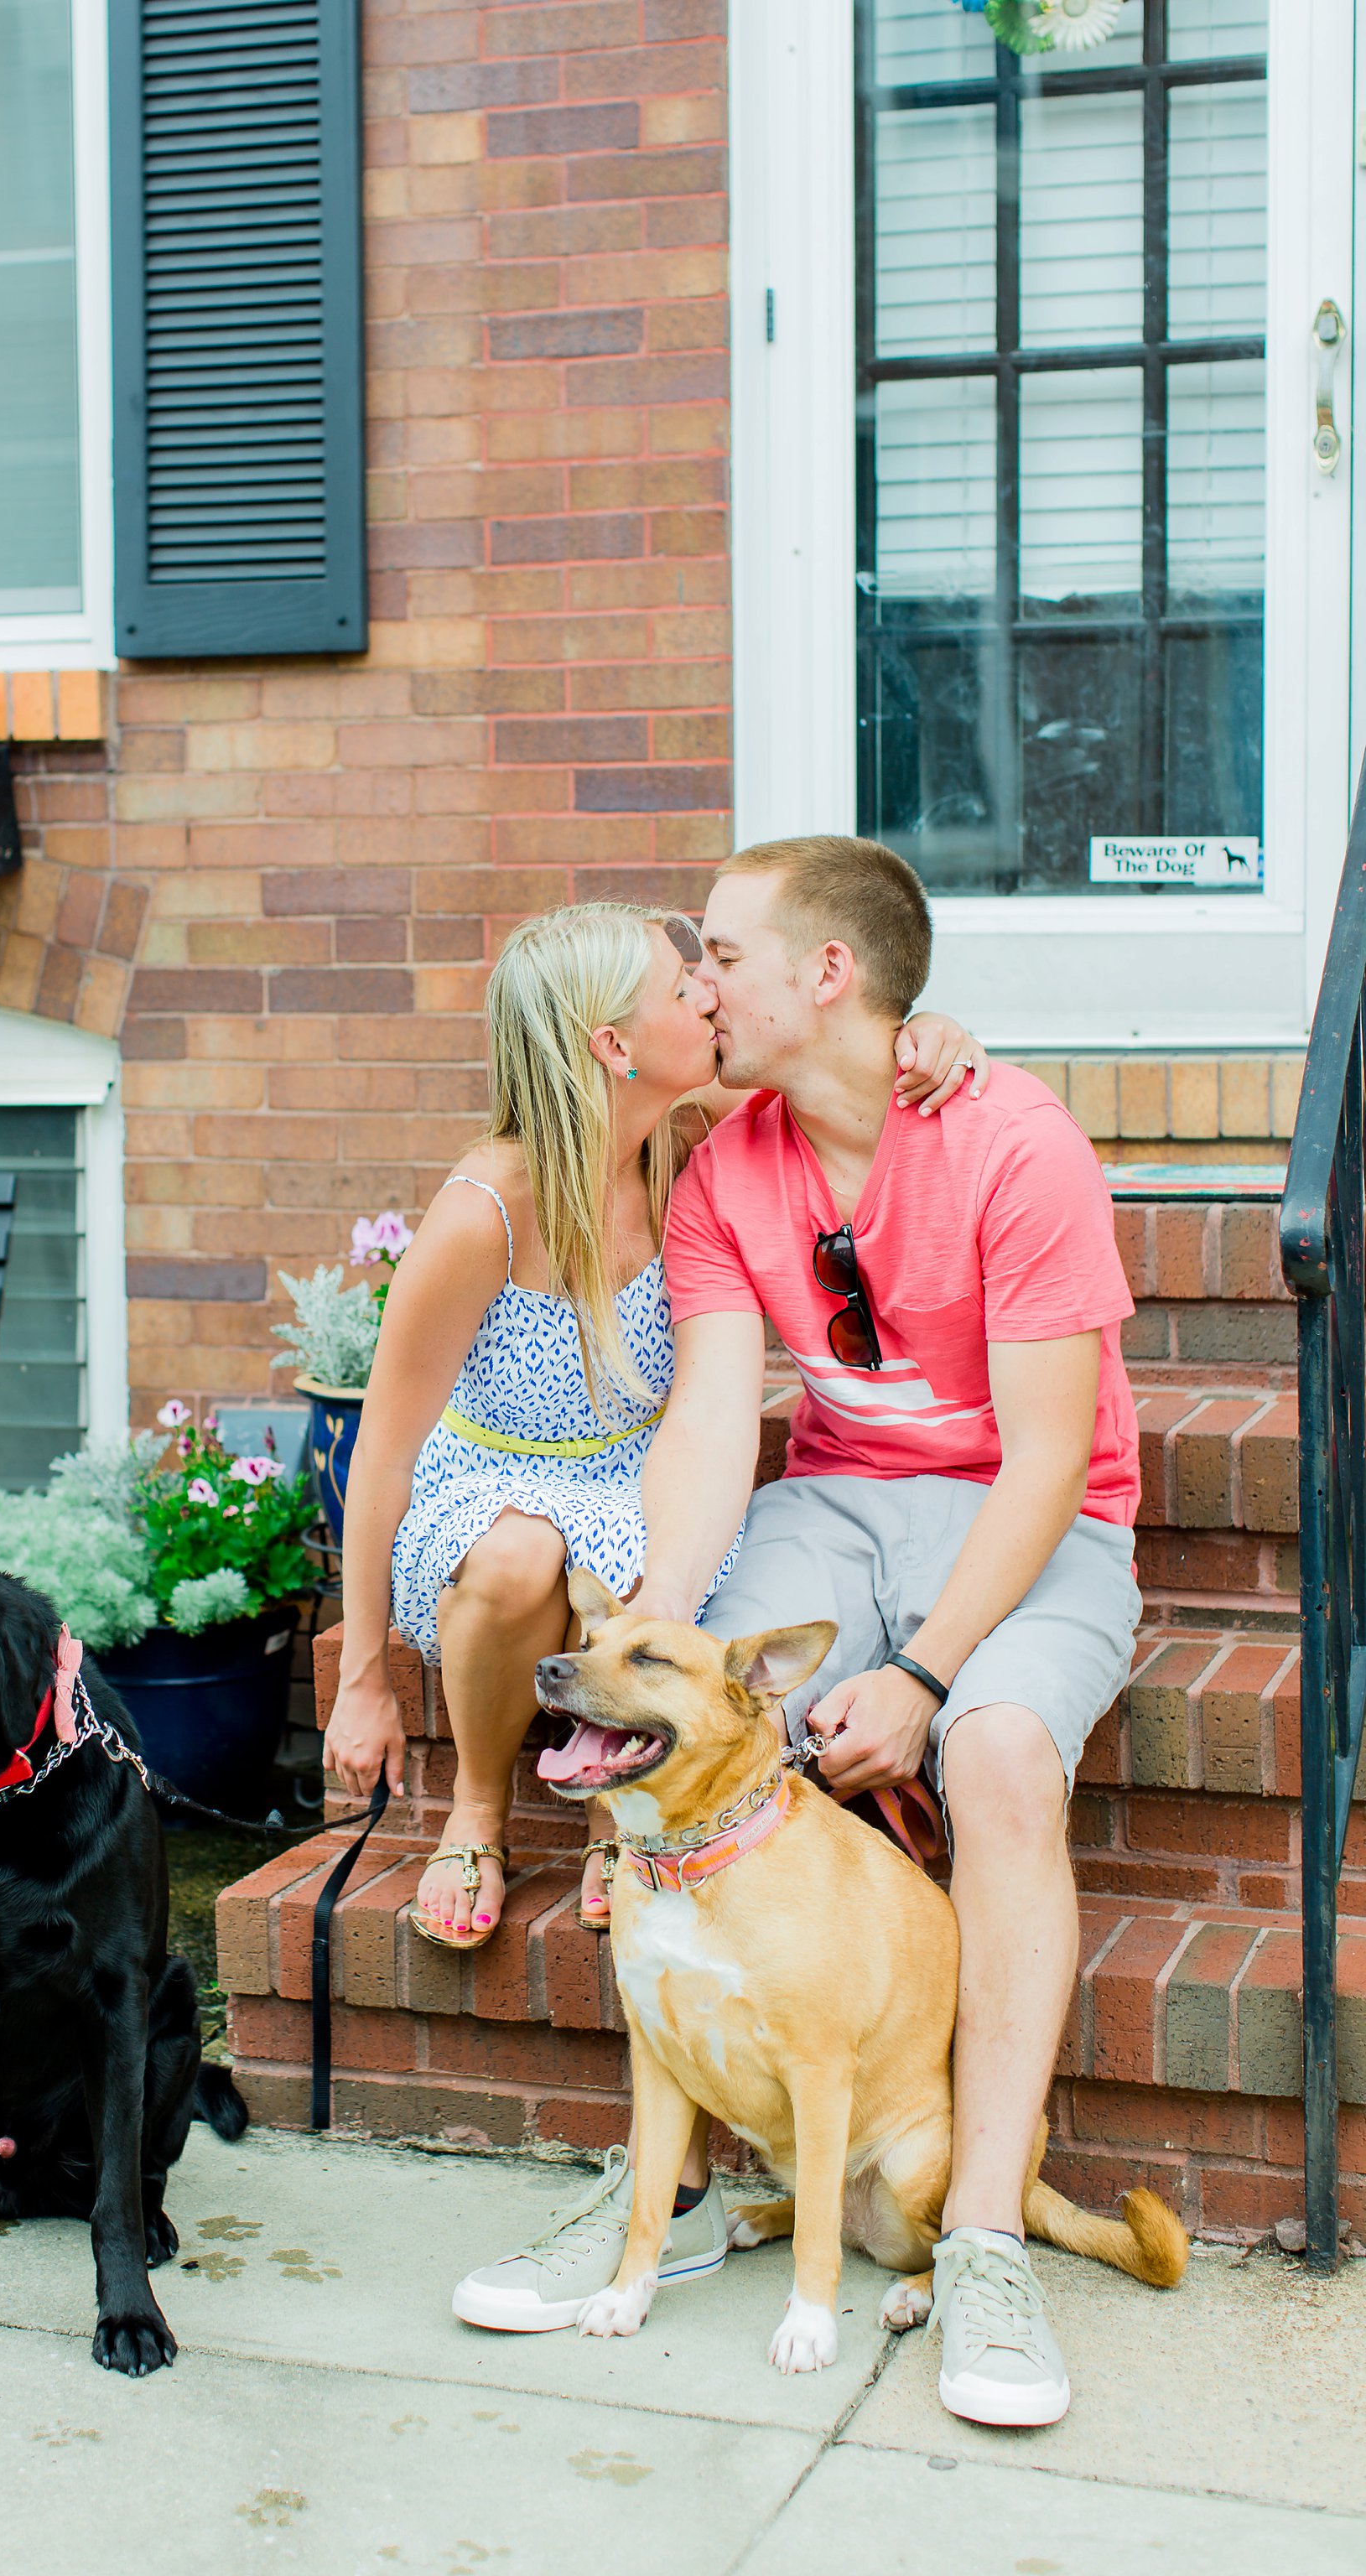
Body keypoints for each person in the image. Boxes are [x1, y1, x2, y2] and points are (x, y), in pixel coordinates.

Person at [452, 839, 1138, 2434]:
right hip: (833, 1506)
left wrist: (917, 1673)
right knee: (673, 1737)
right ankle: (663, 2201)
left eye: (726, 956)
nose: (700, 982)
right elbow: (708, 1418)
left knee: (1001, 1755)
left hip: (1035, 1524)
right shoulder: (723, 1168)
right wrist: (650, 1633)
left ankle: (974, 2237)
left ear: (827, 975)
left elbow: (1044, 1461)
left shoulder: (1012, 1142)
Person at [324, 899, 985, 1957]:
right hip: (489, 1483)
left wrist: (926, 1035)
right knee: (521, 1553)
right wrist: (362, 1678)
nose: (710, 992)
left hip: (641, 1477)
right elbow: (383, 1454)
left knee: (657, 1562)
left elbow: (846, 1094)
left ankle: (613, 1813)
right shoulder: (484, 1210)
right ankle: (480, 1808)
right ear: (612, 1045)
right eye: (684, 988)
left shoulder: (692, 1147)